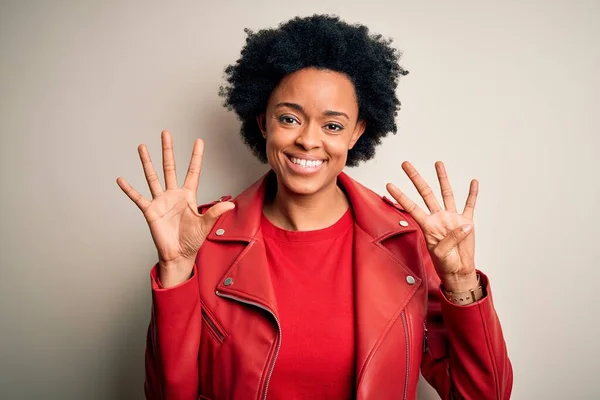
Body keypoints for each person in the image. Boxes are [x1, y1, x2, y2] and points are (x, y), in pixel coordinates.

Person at [116, 14, 513, 400]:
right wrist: (176, 270)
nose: (308, 140)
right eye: (289, 118)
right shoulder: (202, 239)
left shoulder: (408, 241)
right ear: (262, 122)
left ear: (358, 132)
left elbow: (484, 396)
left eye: (333, 126)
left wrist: (461, 283)